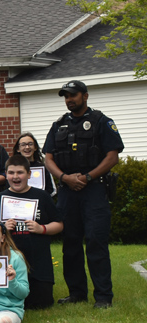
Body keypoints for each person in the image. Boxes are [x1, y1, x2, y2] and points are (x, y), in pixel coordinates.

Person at [42, 80, 123, 309]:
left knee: (96, 242)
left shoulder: (101, 122)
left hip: (94, 190)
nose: (69, 99)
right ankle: (77, 293)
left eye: (73, 95)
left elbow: (112, 156)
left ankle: (103, 297)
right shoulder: (58, 125)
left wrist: (87, 177)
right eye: (66, 96)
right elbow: (48, 158)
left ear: (85, 96)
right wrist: (64, 178)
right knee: (70, 244)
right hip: (68, 192)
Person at [0, 156, 63, 309]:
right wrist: (2, 227)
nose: (15, 177)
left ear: (29, 174)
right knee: (8, 299)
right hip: (10, 264)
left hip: (38, 264)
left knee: (41, 303)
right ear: (6, 174)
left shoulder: (42, 196)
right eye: (11, 173)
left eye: (20, 172)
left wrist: (41, 229)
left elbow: (59, 225)